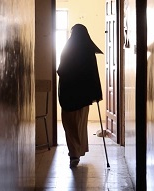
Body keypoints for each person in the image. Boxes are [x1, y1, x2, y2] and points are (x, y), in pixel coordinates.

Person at [57, 24, 103, 168]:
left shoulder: (68, 49)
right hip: (83, 97)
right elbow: (94, 75)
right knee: (80, 125)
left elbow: (61, 70)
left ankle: (74, 153)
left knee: (69, 125)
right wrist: (96, 93)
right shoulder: (88, 51)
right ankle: (77, 151)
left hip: (68, 96)